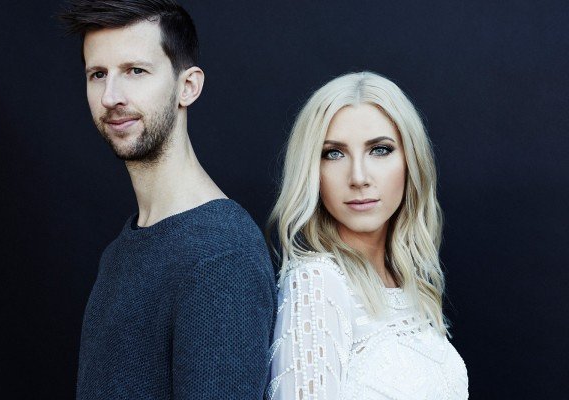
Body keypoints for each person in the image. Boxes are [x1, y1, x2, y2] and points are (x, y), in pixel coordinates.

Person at [59, 1, 276, 399]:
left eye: (135, 71)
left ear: (187, 86)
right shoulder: (122, 250)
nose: (110, 96)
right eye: (98, 74)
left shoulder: (221, 255)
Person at [265, 72, 468, 399]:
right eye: (334, 153)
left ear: (410, 160)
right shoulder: (316, 281)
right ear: (312, 170)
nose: (358, 177)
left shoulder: (409, 283)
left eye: (380, 150)